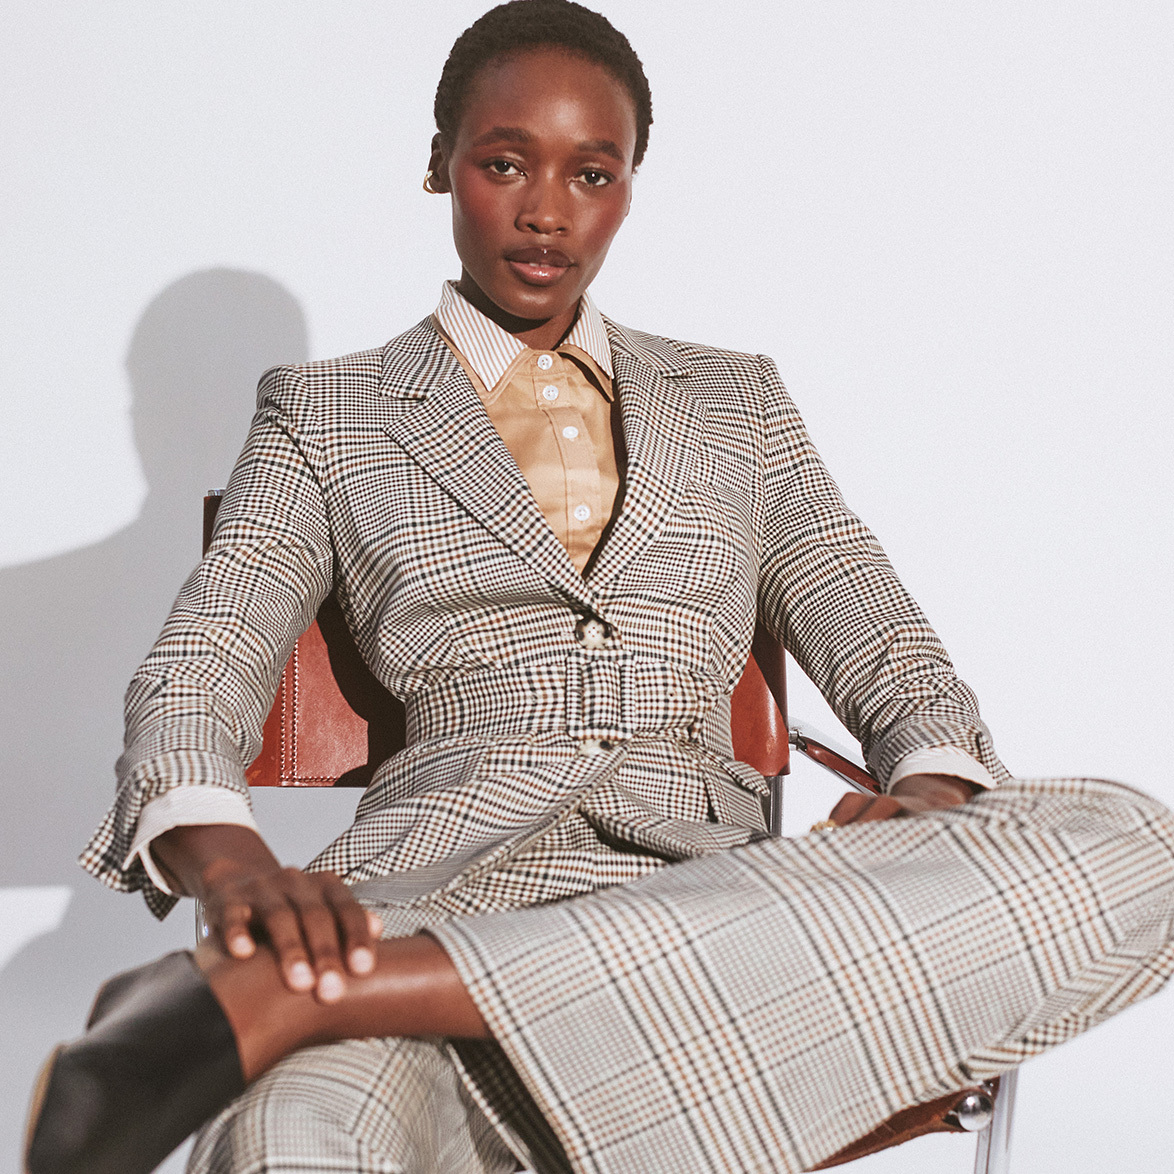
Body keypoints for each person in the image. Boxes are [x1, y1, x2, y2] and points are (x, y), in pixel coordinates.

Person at [25, 3, 1174, 1173]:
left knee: (1141, 850)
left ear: (629, 186)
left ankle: (299, 995)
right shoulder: (327, 413)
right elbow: (198, 669)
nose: (544, 211)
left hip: (730, 921)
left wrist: (927, 800)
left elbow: (888, 651)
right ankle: (345, 986)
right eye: (504, 162)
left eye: (592, 173)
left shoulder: (739, 403)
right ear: (441, 165)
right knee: (295, 1134)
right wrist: (237, 875)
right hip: (437, 892)